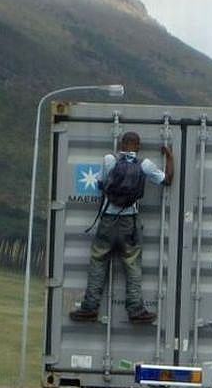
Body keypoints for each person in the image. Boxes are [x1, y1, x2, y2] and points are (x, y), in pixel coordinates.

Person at [70, 131, 174, 324]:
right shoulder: (144, 165)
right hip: (129, 224)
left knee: (98, 261)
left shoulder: (109, 159)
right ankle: (136, 310)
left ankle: (90, 309)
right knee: (132, 264)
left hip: (108, 220)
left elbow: (101, 184)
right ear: (138, 146)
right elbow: (167, 180)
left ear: (121, 144)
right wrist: (169, 156)